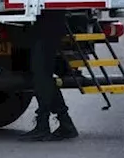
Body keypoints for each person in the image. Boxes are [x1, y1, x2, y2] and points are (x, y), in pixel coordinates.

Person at [20, 11, 80, 142]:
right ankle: (65, 123)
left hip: (46, 26)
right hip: (49, 24)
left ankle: (44, 125)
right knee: (42, 75)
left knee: (41, 75)